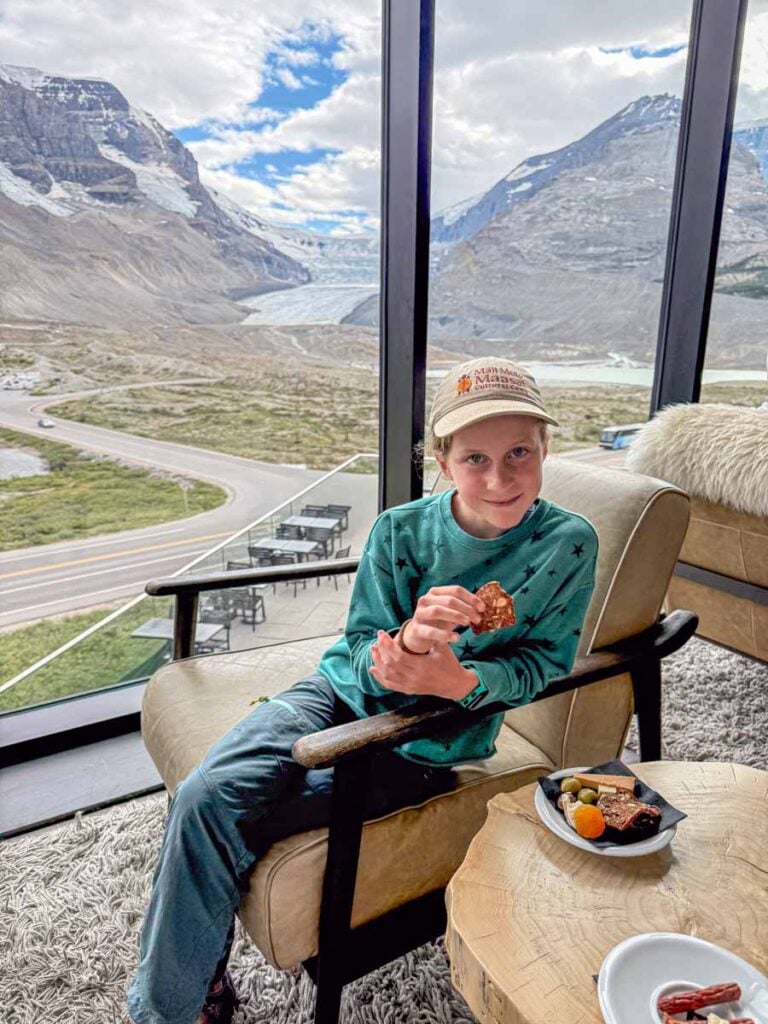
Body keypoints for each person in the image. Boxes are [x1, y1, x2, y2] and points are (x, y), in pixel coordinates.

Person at [127, 357, 599, 1024]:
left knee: (228, 815)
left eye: (520, 451)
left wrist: (460, 681)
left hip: (424, 746)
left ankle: (183, 995)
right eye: (474, 458)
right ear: (442, 460)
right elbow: (357, 646)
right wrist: (406, 645)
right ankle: (170, 1007)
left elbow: (543, 663)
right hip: (333, 693)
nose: (500, 478)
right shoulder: (398, 532)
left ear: (546, 447)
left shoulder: (569, 546)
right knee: (207, 795)